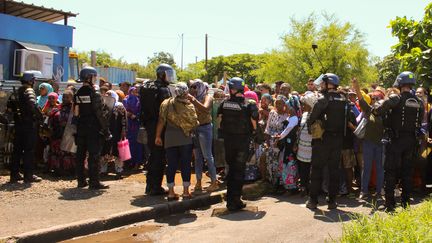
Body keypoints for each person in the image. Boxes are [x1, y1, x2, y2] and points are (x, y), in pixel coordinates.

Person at [372, 72, 424, 211]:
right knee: (407, 173)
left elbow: (376, 111)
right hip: (411, 141)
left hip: (395, 141)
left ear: (400, 83)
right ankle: (406, 204)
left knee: (391, 172)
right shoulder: (419, 102)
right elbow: (419, 122)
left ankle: (390, 205)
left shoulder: (396, 98)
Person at [306, 73, 351, 210]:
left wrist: (311, 126)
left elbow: (311, 118)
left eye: (322, 83)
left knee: (317, 170)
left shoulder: (323, 99)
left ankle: (313, 200)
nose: (320, 86)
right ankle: (332, 201)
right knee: (334, 171)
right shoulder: (344, 99)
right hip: (338, 140)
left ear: (328, 84)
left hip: (322, 139)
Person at [218, 77, 258, 211]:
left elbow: (219, 119)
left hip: (229, 142)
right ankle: (236, 200)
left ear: (232, 89)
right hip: (242, 142)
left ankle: (230, 200)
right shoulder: (249, 104)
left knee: (231, 169)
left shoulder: (224, 103)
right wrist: (254, 132)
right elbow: (254, 120)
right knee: (239, 171)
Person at [155, 82, 198, 200]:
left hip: (170, 138)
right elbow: (194, 123)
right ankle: (185, 191)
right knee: (186, 165)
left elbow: (161, 121)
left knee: (171, 165)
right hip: (186, 139)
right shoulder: (189, 106)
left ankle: (171, 192)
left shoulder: (166, 103)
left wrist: (158, 136)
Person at [140, 64, 175, 195]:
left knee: (153, 155)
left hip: (148, 124)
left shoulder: (147, 86)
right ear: (162, 74)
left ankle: (149, 186)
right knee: (159, 157)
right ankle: (155, 187)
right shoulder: (163, 89)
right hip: (160, 126)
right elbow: (167, 111)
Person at [74, 66, 110, 189]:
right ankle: (94, 182)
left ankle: (81, 181)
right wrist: (106, 130)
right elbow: (100, 113)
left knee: (80, 155)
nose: (95, 79)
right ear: (89, 77)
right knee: (94, 155)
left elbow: (76, 113)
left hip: (81, 127)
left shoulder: (78, 93)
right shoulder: (95, 93)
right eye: (94, 77)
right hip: (93, 128)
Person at [7, 71, 43, 183]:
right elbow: (33, 105)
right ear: (31, 80)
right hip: (28, 126)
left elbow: (9, 109)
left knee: (16, 150)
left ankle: (14, 175)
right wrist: (39, 117)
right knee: (29, 150)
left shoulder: (16, 92)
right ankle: (28, 175)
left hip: (18, 125)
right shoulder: (29, 91)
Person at [188, 79, 219, 192]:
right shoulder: (192, 98)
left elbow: (205, 109)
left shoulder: (208, 97)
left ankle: (214, 182)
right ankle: (198, 182)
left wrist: (193, 100)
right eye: (192, 87)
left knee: (207, 156)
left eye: (195, 87)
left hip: (205, 128)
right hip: (195, 129)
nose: (193, 89)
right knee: (197, 157)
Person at [47, 90, 76, 176]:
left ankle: (70, 170)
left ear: (72, 98)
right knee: (57, 152)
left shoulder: (74, 109)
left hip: (69, 136)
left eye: (67, 97)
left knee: (68, 153)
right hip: (57, 134)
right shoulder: (57, 108)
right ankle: (57, 169)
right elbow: (50, 122)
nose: (65, 99)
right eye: (63, 97)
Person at [100, 90, 127, 179]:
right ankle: (103, 170)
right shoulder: (103, 105)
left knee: (118, 152)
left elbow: (124, 119)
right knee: (104, 151)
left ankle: (119, 170)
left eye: (109, 95)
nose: (107, 96)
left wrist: (124, 130)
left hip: (117, 132)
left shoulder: (119, 106)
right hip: (106, 132)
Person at [265, 95, 289, 186]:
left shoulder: (287, 115)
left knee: (279, 163)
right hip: (271, 142)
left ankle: (280, 184)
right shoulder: (272, 113)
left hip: (281, 143)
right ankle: (273, 183)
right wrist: (267, 143)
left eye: (280, 103)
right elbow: (267, 128)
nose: (278, 105)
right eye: (277, 103)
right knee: (270, 162)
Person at [297, 92, 317, 196]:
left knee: (311, 169)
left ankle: (311, 188)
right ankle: (303, 186)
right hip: (302, 147)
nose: (303, 106)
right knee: (303, 168)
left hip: (311, 147)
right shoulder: (304, 115)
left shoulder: (317, 116)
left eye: (305, 104)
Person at [123, 87, 143, 170]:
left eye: (136, 92)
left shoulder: (138, 101)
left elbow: (141, 112)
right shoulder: (126, 100)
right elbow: (124, 110)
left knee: (137, 144)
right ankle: (131, 162)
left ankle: (136, 162)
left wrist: (135, 115)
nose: (135, 93)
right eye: (133, 92)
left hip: (135, 124)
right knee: (130, 144)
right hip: (130, 124)